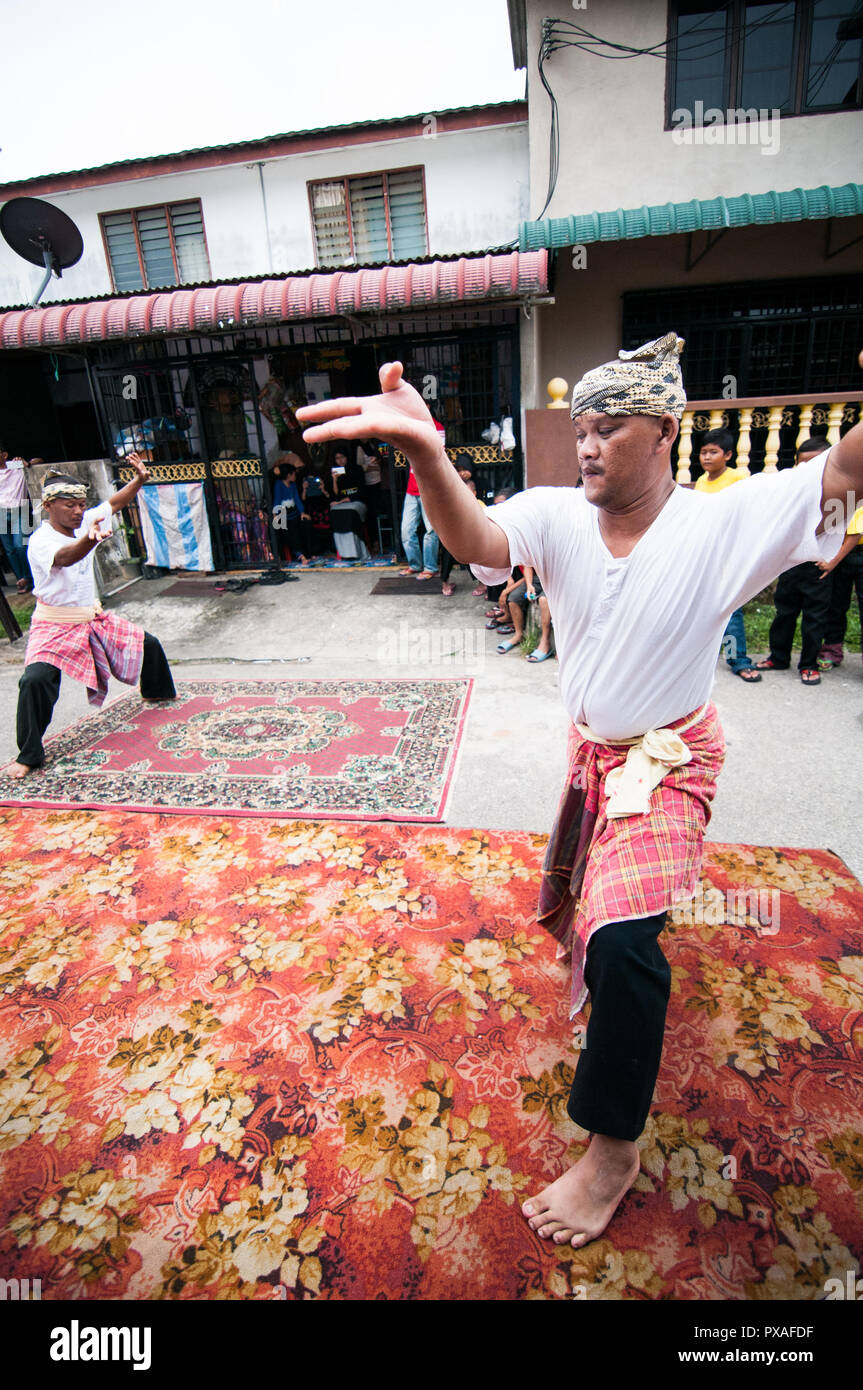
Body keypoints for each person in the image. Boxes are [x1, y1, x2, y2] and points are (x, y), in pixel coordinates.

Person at [297, 335, 856, 1249]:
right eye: (579, 429)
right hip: (591, 755)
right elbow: (477, 539)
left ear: (666, 431)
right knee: (593, 910)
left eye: (609, 428)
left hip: (671, 759)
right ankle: (615, 931)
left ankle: (611, 1150)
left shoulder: (726, 522)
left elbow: (843, 464)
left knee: (626, 941)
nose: (586, 445)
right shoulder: (554, 512)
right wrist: (429, 455)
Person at [5, 454, 176, 780]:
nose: (78, 511)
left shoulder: (85, 521)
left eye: (81, 505)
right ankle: (29, 755)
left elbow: (113, 503)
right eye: (70, 505)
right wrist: (88, 539)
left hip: (90, 617)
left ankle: (158, 693)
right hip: (53, 624)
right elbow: (67, 558)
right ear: (49, 506)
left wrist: (139, 480)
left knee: (147, 644)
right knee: (35, 680)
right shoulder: (41, 540)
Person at [753, 437, 834, 685]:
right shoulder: (790, 491)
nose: (809, 469)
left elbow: (848, 529)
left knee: (815, 617)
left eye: (816, 462)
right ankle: (778, 657)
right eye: (804, 463)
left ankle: (808, 665)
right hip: (790, 562)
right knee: (784, 612)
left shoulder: (841, 491)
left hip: (819, 564)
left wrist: (833, 560)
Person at [693, 429, 760, 683]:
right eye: (703, 452)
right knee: (699, 609)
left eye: (713, 452)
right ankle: (699, 660)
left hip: (729, 554)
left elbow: (748, 517)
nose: (707, 457)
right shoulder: (701, 481)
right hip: (704, 554)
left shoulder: (738, 479)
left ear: (728, 454)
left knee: (730, 610)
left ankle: (738, 660)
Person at [817, 499, 863, 669]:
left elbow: (856, 532)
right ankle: (832, 649)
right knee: (836, 604)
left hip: (854, 551)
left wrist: (834, 561)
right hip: (838, 550)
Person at [496, 566, 554, 662]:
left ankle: (545, 642)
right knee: (514, 599)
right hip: (536, 577)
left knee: (543, 600)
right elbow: (527, 565)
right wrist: (529, 585)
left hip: (555, 579)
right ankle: (518, 635)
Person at [0, 441, 34, 593]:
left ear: (4, 454)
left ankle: (28, 577)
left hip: (21, 510)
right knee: (10, 550)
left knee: (21, 546)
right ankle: (22, 580)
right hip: (1, 513)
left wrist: (26, 463)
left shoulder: (15, 465)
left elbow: (37, 462)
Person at [400, 461, 439, 581]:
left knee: (431, 530)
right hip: (411, 490)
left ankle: (430, 567)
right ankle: (415, 565)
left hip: (428, 490)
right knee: (406, 530)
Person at [271, 457, 311, 564]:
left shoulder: (293, 485)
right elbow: (277, 499)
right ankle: (298, 555)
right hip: (282, 512)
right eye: (294, 474)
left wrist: (302, 512)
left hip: (293, 512)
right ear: (289, 475)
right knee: (284, 533)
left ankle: (305, 553)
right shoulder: (278, 484)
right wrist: (275, 515)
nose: (295, 476)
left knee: (300, 530)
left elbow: (297, 499)